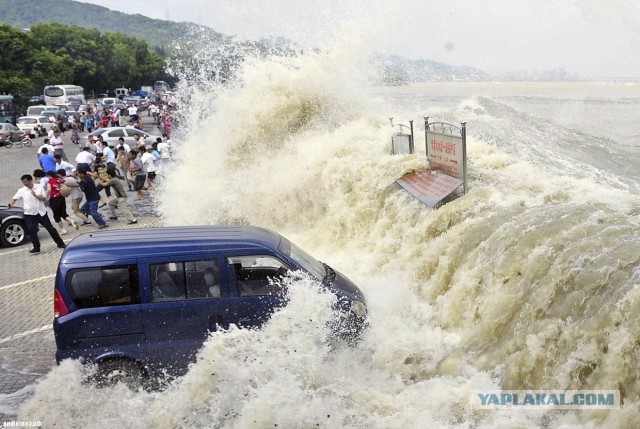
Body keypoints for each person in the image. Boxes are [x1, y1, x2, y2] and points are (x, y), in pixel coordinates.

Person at [6, 174, 66, 253]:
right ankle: (36, 247)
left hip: (41, 213)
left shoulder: (39, 187)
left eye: (26, 182)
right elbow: (14, 198)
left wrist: (36, 195)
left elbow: (43, 198)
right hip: (29, 214)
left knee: (50, 229)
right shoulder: (21, 190)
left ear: (31, 180)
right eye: (23, 182)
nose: (25, 184)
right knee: (31, 230)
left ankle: (60, 243)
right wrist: (10, 204)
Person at [46, 170, 79, 235]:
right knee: (63, 213)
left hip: (54, 199)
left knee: (56, 215)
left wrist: (45, 195)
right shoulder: (59, 180)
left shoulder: (49, 182)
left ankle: (63, 229)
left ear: (49, 176)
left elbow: (49, 190)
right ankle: (72, 220)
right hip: (61, 198)